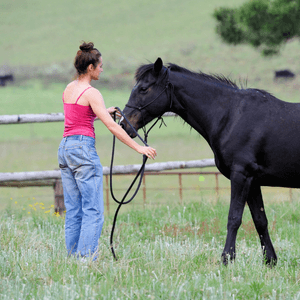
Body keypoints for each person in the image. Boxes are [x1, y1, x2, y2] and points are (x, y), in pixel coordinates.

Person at [57, 42, 157, 260]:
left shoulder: (69, 88)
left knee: (74, 211)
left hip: (65, 148)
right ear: (91, 68)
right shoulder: (93, 93)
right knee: (93, 212)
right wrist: (139, 147)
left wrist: (102, 111)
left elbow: (78, 117)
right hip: (83, 150)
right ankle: (85, 261)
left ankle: (72, 259)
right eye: (100, 66)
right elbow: (112, 127)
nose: (102, 69)